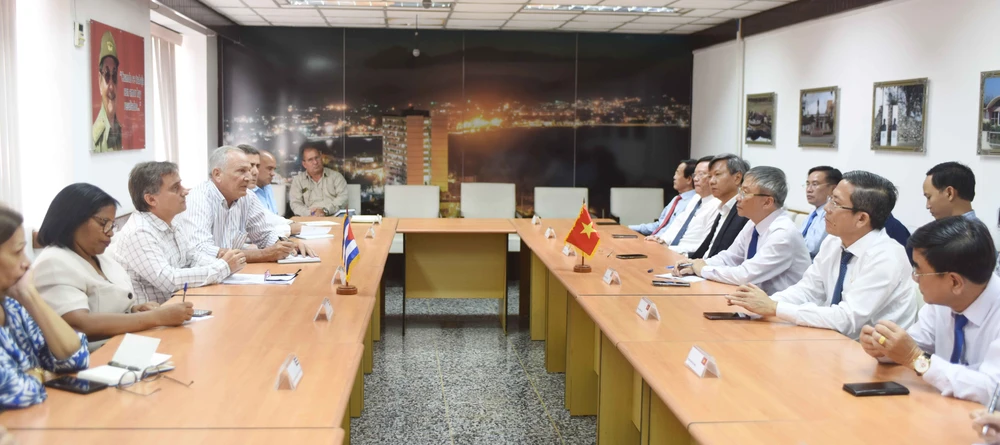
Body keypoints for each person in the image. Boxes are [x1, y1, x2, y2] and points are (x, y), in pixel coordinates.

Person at [726, 171, 918, 340]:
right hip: (830, 340)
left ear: (861, 219)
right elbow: (808, 290)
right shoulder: (834, 242)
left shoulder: (886, 256)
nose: (826, 208)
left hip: (872, 355)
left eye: (836, 203)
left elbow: (847, 319)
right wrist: (760, 305)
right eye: (830, 199)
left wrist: (775, 308)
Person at [31, 184, 194, 346]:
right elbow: (79, 324)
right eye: (103, 223)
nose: (110, 232)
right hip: (90, 360)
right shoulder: (53, 262)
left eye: (112, 224)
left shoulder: (98, 256)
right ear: (74, 219)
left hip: (123, 347)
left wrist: (135, 310)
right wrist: (155, 318)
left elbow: (108, 307)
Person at [860, 217, 1000, 405]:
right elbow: (913, 346)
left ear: (954, 282)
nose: (914, 278)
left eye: (919, 271)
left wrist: (916, 359)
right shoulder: (941, 302)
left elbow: (992, 392)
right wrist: (883, 345)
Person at [109, 162, 245, 304]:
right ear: (151, 199)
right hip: (152, 319)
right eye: (175, 188)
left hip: (176, 308)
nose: (185, 191)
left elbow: (192, 257)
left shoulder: (172, 222)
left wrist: (227, 266)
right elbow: (169, 280)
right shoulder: (139, 232)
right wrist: (222, 267)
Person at [0, 207, 90, 409]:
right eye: (17, 252)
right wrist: (41, 373)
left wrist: (30, 296)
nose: (26, 263)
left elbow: (76, 358)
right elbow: (18, 392)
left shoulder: (13, 305)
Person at [676, 166, 810, 294]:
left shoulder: (783, 234)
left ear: (767, 202)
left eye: (745, 193)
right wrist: (696, 264)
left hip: (779, 310)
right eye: (740, 190)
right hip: (752, 303)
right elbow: (730, 257)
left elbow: (746, 275)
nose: (738, 198)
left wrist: (703, 269)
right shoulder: (753, 223)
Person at [176, 146, 316, 262]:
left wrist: (288, 245)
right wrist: (264, 254)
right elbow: (201, 251)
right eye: (241, 171)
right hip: (199, 283)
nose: (249, 177)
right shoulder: (199, 198)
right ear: (217, 174)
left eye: (249, 171)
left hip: (229, 276)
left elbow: (264, 235)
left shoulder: (247, 196)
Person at [690, 154, 750, 259]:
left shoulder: (745, 211)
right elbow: (708, 248)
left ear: (737, 178)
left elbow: (730, 257)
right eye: (710, 176)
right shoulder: (724, 207)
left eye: (717, 174)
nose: (711, 181)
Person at [656, 156, 720, 254]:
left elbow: (705, 245)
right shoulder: (696, 198)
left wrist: (669, 249)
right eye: (695, 175)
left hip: (686, 256)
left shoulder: (718, 205)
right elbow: (678, 224)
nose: (696, 179)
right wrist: (661, 240)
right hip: (671, 251)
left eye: (701, 174)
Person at [237, 144, 299, 237]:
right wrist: (290, 228)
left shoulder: (251, 194)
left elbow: (272, 219)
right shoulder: (213, 197)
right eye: (250, 166)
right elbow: (254, 234)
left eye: (257, 166)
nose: (255, 171)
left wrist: (293, 225)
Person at [632, 159, 697, 238]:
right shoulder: (676, 199)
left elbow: (678, 232)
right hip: (654, 240)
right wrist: (630, 228)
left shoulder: (694, 202)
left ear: (689, 179)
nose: (674, 177)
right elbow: (660, 225)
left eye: (677, 173)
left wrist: (660, 239)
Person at [289, 144, 348, 217]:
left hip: (334, 216)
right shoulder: (298, 181)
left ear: (321, 157)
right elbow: (295, 204)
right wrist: (311, 213)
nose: (315, 162)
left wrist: (325, 210)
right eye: (310, 160)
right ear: (304, 164)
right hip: (308, 218)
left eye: (317, 158)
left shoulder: (336, 177)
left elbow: (343, 199)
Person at [801, 166, 841, 259]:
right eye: (808, 184)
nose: (809, 189)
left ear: (833, 189)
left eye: (815, 184)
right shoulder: (814, 212)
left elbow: (812, 248)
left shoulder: (830, 214)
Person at [92, 31, 122, 152]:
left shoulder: (121, 131)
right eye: (106, 75)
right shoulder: (94, 139)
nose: (111, 86)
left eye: (114, 75)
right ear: (100, 82)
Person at [254, 149, 280, 215]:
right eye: (269, 168)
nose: (273, 173)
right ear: (256, 167)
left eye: (274, 169)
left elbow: (275, 215)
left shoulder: (268, 187)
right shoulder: (247, 192)